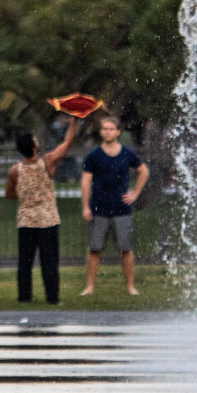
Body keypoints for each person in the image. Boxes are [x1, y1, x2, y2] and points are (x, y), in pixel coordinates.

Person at [8, 121, 80, 305]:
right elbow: (67, 143)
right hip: (47, 220)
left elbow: (10, 194)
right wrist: (74, 122)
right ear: (34, 147)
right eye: (35, 140)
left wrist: (26, 196)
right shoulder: (47, 161)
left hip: (25, 221)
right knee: (49, 262)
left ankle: (24, 297)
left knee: (25, 262)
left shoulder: (15, 170)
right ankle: (52, 298)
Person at [80, 113, 148, 297]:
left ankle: (130, 287)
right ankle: (89, 287)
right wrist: (85, 206)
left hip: (121, 210)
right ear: (101, 132)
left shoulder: (127, 154)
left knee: (125, 250)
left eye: (111, 129)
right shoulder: (94, 155)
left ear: (118, 132)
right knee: (94, 249)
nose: (107, 132)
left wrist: (135, 192)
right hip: (99, 208)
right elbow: (85, 181)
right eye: (104, 129)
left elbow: (143, 172)